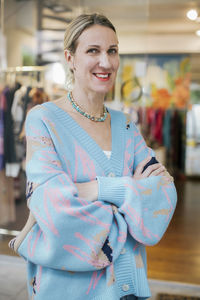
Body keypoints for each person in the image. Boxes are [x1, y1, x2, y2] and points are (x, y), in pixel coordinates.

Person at [9, 13, 177, 300]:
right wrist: (132, 194)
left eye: (112, 50)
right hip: (66, 289)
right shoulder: (43, 120)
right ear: (70, 58)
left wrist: (97, 189)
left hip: (128, 286)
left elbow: (163, 196)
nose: (106, 62)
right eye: (93, 51)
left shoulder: (125, 124)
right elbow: (54, 208)